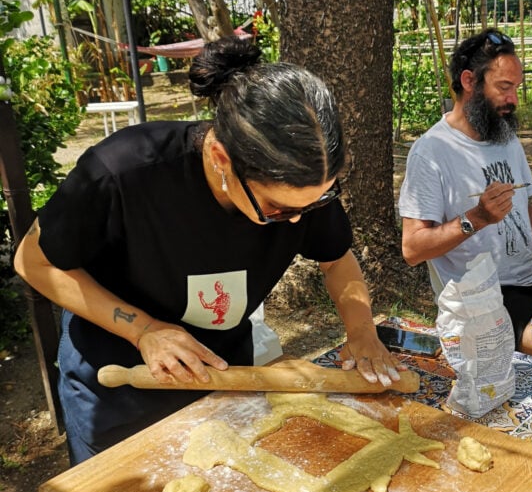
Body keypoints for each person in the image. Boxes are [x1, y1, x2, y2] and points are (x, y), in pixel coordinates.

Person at [14, 36, 404, 463]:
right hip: (120, 382)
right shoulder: (124, 171)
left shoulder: (302, 186)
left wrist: (362, 331)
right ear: (221, 157)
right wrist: (144, 330)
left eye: (313, 204)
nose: (297, 220)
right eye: (277, 208)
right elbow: (33, 260)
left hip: (225, 373)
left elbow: (337, 259)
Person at [398, 28, 532, 356]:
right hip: (486, 297)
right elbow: (412, 249)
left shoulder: (504, 136)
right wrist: (476, 218)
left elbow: (526, 209)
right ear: (469, 81)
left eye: (516, 88)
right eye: (504, 87)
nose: (513, 100)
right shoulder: (431, 152)